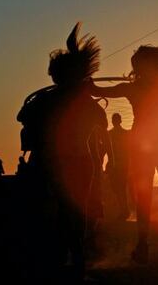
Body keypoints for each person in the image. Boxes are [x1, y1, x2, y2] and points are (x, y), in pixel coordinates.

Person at [89, 25, 158, 264]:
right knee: (157, 196)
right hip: (155, 147)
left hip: (157, 147)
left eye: (137, 64)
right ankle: (148, 244)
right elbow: (98, 89)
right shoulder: (155, 85)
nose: (135, 68)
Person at [17, 22, 110, 281]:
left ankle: (61, 256)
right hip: (78, 162)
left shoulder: (45, 100)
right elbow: (100, 125)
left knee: (55, 209)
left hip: (53, 162)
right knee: (74, 210)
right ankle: (76, 256)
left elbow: (21, 116)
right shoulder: (87, 104)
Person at [107, 112, 131, 220]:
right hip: (119, 164)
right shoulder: (121, 134)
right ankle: (124, 210)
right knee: (119, 188)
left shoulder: (111, 134)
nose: (115, 122)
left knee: (119, 188)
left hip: (119, 165)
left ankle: (124, 211)